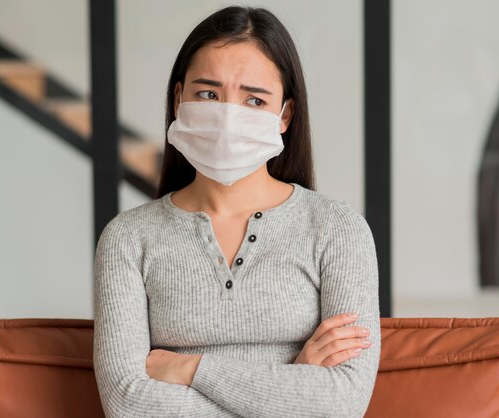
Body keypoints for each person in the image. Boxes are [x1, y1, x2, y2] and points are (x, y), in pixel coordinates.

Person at [93, 5, 381, 418]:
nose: (228, 117)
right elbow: (127, 403)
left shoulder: (338, 229)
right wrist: (291, 382)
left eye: (254, 100)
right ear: (179, 99)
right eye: (208, 94)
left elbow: (342, 401)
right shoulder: (128, 238)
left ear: (285, 114)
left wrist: (189, 368)